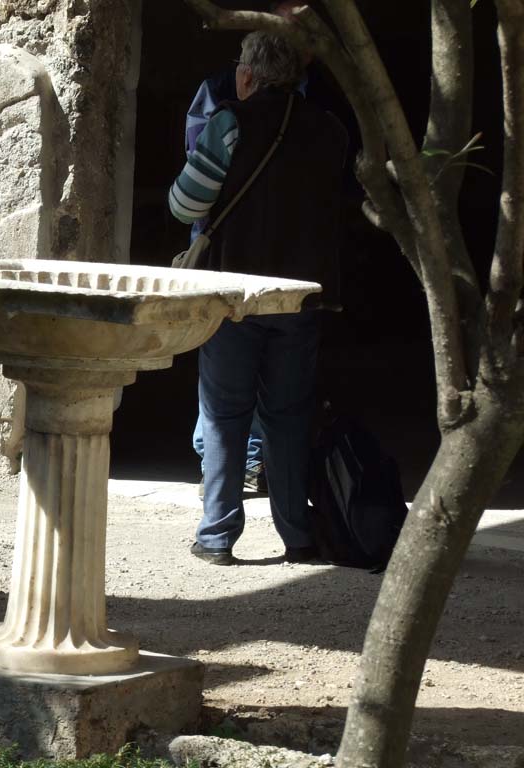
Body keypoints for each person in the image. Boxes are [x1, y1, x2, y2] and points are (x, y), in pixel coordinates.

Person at [168, 30, 347, 565]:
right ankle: (298, 535)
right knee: (289, 415)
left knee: (225, 413)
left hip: (235, 294)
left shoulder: (230, 121)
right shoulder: (331, 130)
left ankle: (217, 536)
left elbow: (185, 204)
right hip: (300, 296)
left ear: (248, 75)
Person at [186, 0, 311, 497]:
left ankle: (229, 488)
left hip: (277, 251)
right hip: (233, 251)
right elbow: (198, 178)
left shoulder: (312, 103)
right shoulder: (220, 92)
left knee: (232, 375)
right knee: (232, 381)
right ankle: (229, 466)